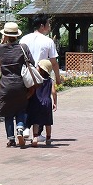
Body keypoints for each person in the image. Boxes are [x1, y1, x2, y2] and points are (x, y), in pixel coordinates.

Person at [0, 21, 36, 148]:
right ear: (17, 35)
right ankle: (20, 128)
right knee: (21, 109)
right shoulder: (23, 48)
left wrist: (2, 42)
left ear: (5, 35)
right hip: (20, 84)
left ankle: (11, 139)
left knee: (8, 112)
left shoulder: (0, 48)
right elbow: (32, 63)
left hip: (5, 84)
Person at [21, 14, 61, 146]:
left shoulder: (24, 39)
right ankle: (37, 134)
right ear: (42, 26)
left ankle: (26, 127)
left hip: (26, 75)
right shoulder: (48, 41)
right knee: (40, 105)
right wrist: (57, 77)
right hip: (41, 76)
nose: (49, 27)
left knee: (27, 103)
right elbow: (54, 62)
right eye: (48, 24)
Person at [28, 58, 59, 146]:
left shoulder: (36, 79)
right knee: (48, 122)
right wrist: (55, 103)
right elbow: (54, 92)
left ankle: (35, 137)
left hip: (36, 101)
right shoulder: (50, 80)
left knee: (36, 121)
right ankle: (48, 138)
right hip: (47, 102)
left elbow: (32, 90)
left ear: (40, 68)